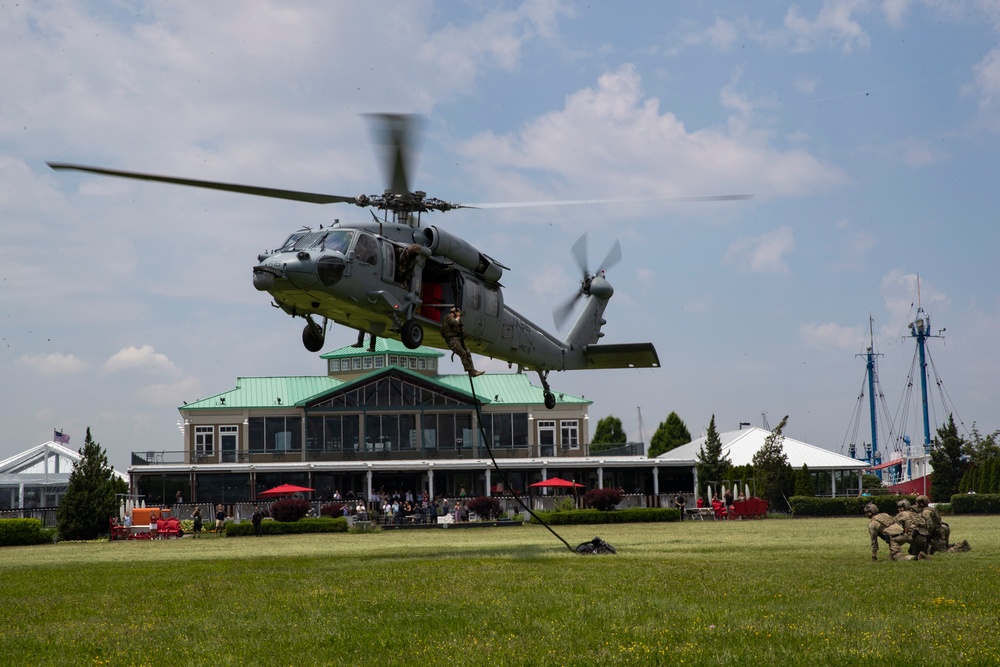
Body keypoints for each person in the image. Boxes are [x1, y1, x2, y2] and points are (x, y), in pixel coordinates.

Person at [441, 307, 484, 376]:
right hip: (452, 340)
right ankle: (468, 368)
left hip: (458, 339)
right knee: (463, 353)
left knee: (467, 352)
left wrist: (460, 326)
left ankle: (472, 371)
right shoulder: (448, 317)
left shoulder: (457, 320)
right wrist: (458, 317)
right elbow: (454, 323)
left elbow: (461, 329)